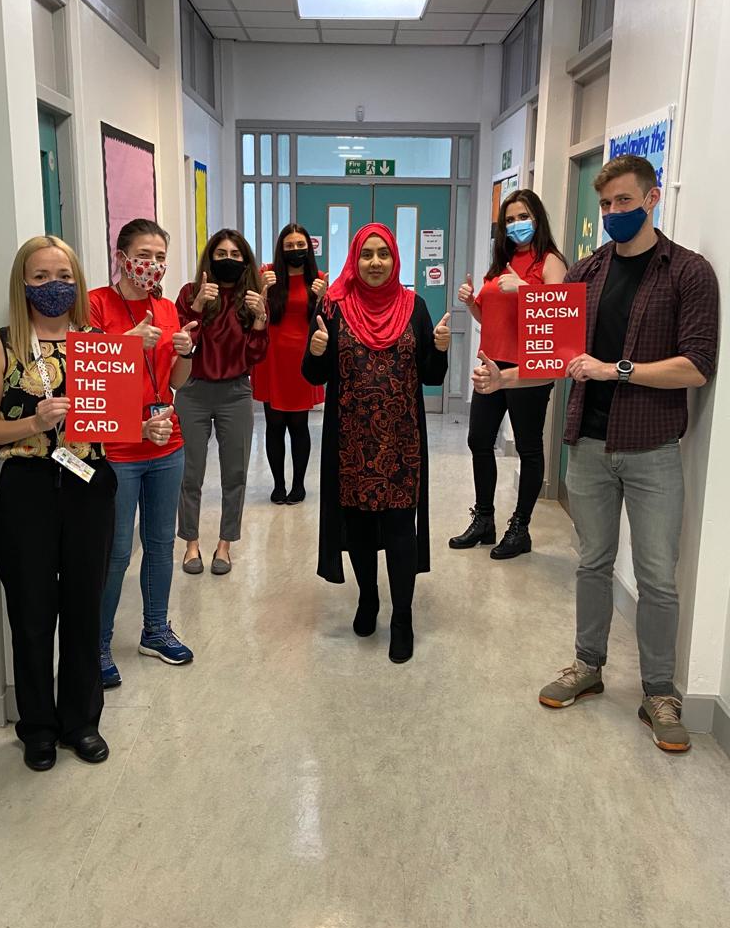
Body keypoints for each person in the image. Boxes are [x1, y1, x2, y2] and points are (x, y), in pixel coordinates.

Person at [474, 155, 719, 753]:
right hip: (586, 445)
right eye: (606, 205)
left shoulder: (688, 273)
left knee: (658, 577)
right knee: (592, 562)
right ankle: (588, 665)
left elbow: (696, 365)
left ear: (653, 198)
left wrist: (617, 370)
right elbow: (553, 359)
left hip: (652, 447)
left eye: (625, 203)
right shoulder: (586, 273)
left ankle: (660, 691)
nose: (613, 214)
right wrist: (507, 382)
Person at [0, 236, 116, 770]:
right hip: (27, 488)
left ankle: (81, 721)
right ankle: (37, 726)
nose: (53, 285)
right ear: (22, 283)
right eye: (40, 277)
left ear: (76, 280)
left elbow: (113, 424)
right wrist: (33, 422)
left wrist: (143, 425)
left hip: (88, 486)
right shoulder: (1, 344)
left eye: (62, 274)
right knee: (31, 612)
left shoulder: (100, 342)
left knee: (84, 607)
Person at [302, 223, 450, 664]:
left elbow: (432, 377)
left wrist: (439, 349)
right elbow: (314, 377)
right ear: (355, 258)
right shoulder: (334, 307)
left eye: (382, 254)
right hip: (351, 442)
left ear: (395, 259)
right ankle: (368, 599)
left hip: (402, 443)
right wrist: (314, 349)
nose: (374, 263)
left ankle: (402, 618)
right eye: (366, 254)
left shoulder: (414, 307)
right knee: (361, 532)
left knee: (402, 532)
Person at [90, 219, 197, 689]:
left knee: (159, 545)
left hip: (165, 440)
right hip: (117, 448)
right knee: (114, 551)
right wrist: (129, 342)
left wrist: (187, 351)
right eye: (143, 254)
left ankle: (155, 629)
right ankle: (97, 643)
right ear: (120, 256)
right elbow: (89, 379)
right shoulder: (96, 304)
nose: (151, 265)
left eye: (159, 257)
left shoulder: (167, 308)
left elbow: (176, 383)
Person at [450, 189, 567, 559]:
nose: (517, 225)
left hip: (529, 369)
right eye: (511, 219)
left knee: (529, 448)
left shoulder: (550, 262)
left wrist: (526, 290)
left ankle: (521, 527)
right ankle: (485, 519)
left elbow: (558, 319)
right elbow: (492, 318)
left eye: (523, 216)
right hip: (493, 365)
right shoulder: (500, 263)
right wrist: (471, 304)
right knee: (479, 440)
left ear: (538, 219)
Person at [175, 229, 269, 575]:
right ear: (209, 257)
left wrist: (260, 318)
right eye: (220, 254)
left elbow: (256, 354)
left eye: (235, 254)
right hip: (193, 391)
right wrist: (198, 305)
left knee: (235, 473)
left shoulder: (252, 298)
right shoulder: (190, 293)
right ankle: (191, 544)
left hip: (235, 392)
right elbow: (183, 344)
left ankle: (225, 544)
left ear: (245, 260)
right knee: (190, 472)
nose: (227, 260)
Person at [252, 224, 328, 504]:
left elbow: (325, 320)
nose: (295, 250)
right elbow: (255, 312)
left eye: (300, 245)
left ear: (308, 248)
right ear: (280, 248)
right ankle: (278, 484)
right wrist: (262, 289)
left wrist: (323, 297)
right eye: (289, 245)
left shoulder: (318, 279)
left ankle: (298, 484)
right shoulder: (267, 275)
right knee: (274, 424)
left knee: (299, 424)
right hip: (271, 360)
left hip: (303, 360)